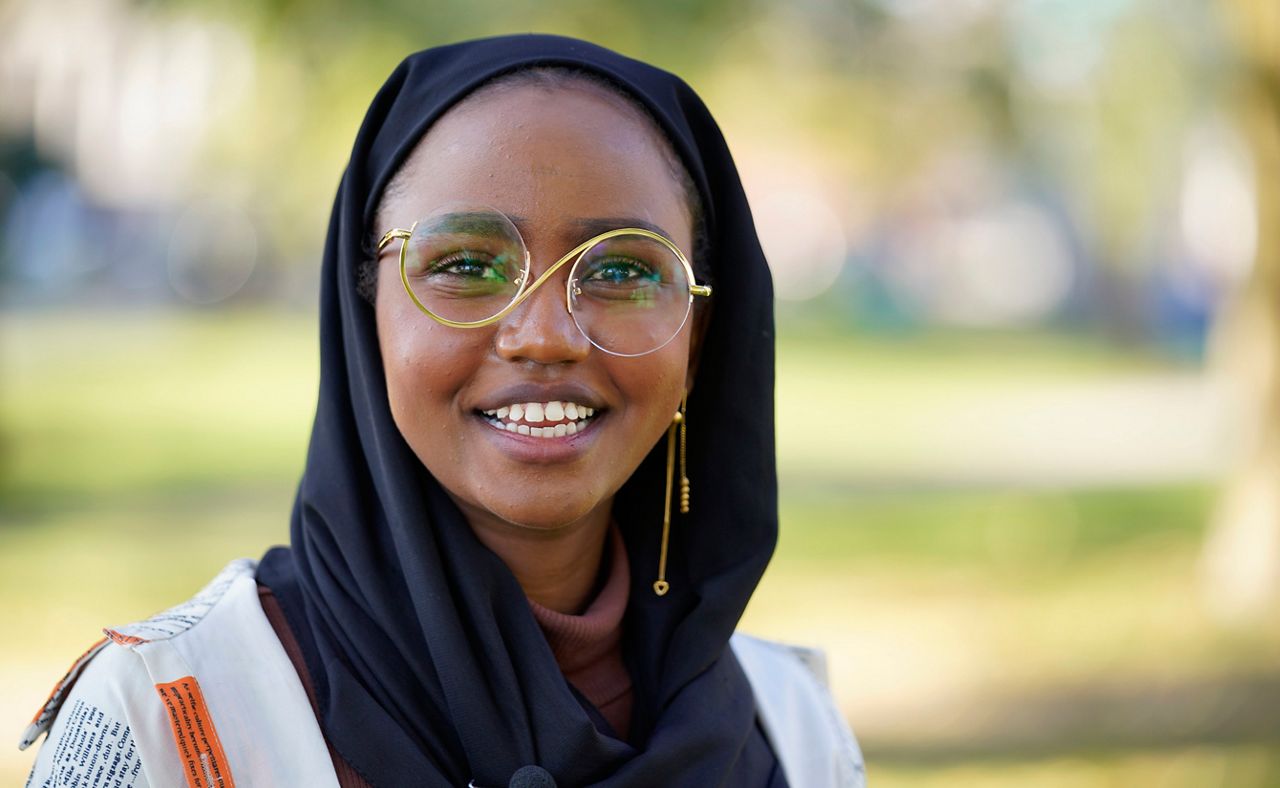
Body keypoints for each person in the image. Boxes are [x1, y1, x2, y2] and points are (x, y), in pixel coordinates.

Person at [20, 34, 865, 787]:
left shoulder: (790, 729)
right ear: (367, 313)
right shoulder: (171, 720)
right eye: (465, 262)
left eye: (620, 272)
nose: (544, 336)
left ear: (699, 338)